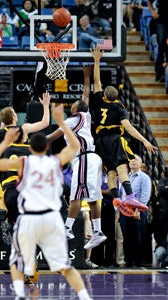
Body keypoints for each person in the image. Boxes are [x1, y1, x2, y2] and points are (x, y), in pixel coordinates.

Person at [0, 104, 93, 300]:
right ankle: (84, 296)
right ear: (44, 148)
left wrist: (5, 142)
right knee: (64, 266)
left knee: (17, 255)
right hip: (51, 217)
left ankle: (20, 292)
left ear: (30, 146)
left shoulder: (23, 162)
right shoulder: (54, 161)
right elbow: (76, 146)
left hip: (29, 215)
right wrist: (60, 121)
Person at [90, 45, 157, 216]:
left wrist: (96, 61)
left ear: (104, 94)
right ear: (116, 97)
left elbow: (96, 81)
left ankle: (115, 198)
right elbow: (128, 127)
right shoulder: (120, 108)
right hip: (114, 139)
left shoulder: (98, 100)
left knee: (111, 172)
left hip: (99, 141)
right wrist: (144, 140)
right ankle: (130, 196)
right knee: (121, 169)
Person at [46, 65, 106, 250]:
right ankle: (98, 232)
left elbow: (53, 136)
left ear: (75, 109)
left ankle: (67, 228)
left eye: (73, 105)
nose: (71, 105)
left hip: (85, 158)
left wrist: (34, 141)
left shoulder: (74, 119)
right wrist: (86, 77)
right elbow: (85, 97)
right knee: (93, 197)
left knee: (77, 194)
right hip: (91, 158)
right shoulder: (85, 116)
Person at [119, 154, 152, 267]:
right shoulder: (124, 177)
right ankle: (128, 262)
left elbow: (145, 195)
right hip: (124, 210)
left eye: (136, 160)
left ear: (140, 164)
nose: (133, 161)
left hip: (137, 210)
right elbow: (120, 194)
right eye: (131, 160)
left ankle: (138, 262)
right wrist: (118, 208)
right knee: (126, 236)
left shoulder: (144, 178)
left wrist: (138, 209)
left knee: (138, 236)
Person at [1, 126, 31, 229]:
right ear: (23, 137)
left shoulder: (7, 150)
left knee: (11, 221)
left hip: (9, 190)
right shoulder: (30, 150)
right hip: (25, 190)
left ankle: (11, 241)